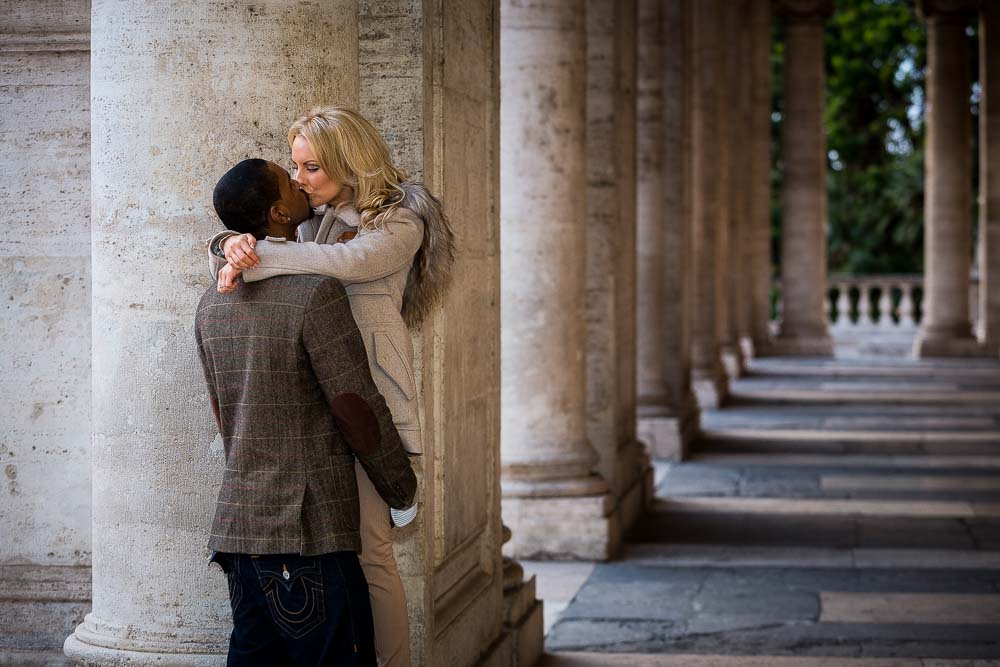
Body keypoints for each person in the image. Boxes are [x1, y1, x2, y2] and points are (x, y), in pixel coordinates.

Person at [206, 107, 454, 667]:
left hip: (369, 403)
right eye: (295, 167)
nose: (299, 180)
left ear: (348, 161)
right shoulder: (310, 217)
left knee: (373, 554)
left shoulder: (401, 221)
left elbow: (340, 263)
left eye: (312, 167)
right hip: (316, 404)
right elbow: (263, 238)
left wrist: (251, 253)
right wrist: (227, 244)